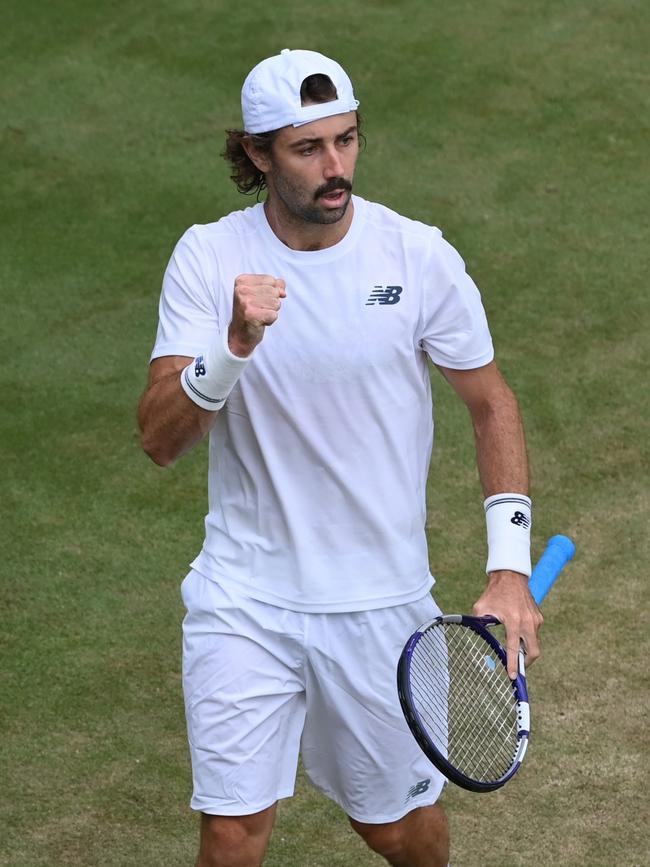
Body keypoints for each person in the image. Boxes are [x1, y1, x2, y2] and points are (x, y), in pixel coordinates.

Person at [138, 48, 543, 867]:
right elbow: (159, 436)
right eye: (307, 147)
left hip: (381, 604)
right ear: (256, 154)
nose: (336, 167)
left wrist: (509, 569)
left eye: (347, 140)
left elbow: (490, 401)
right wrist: (232, 347)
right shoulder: (209, 258)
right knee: (230, 832)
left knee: (395, 828)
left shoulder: (416, 255)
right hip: (244, 596)